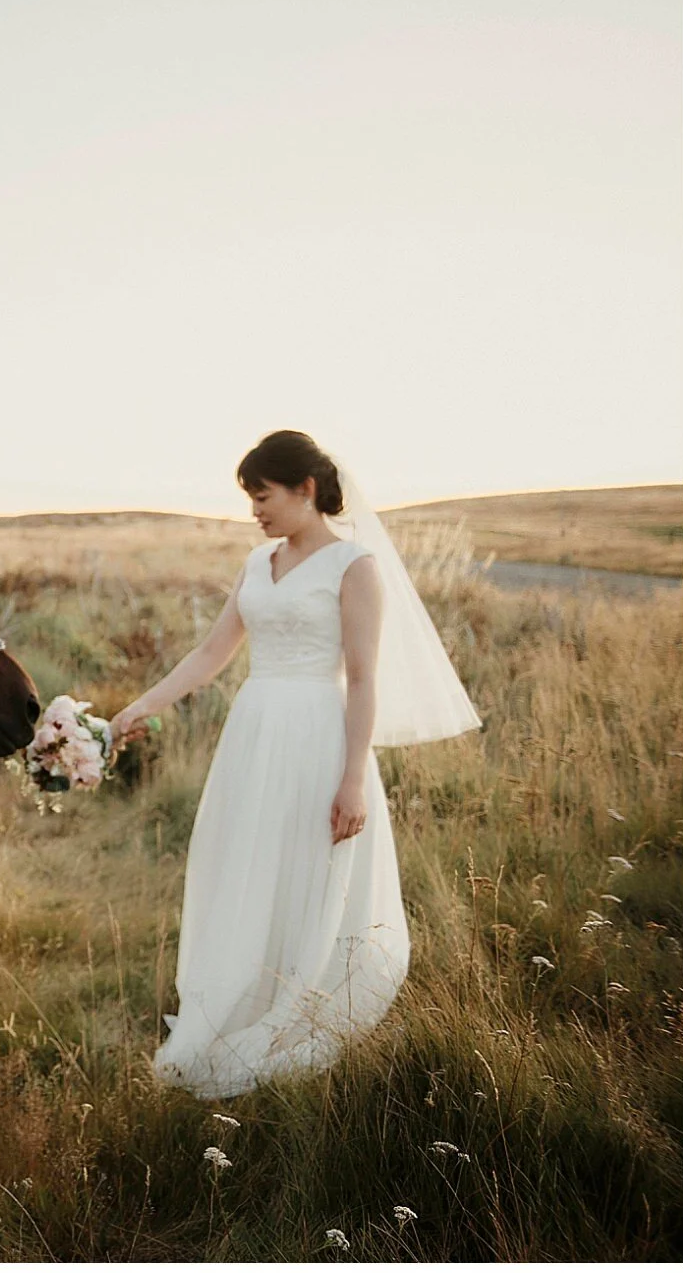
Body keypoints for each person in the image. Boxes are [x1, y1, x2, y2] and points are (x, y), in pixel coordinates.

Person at [108, 430, 480, 1098]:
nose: (254, 511)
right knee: (248, 857)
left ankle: (297, 1002)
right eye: (250, 499)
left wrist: (353, 779)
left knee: (307, 862)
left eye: (263, 496)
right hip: (254, 731)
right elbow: (211, 654)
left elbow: (362, 678)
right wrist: (140, 706)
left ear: (306, 489)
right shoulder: (259, 562)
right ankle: (239, 994)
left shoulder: (354, 566)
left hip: (318, 735)